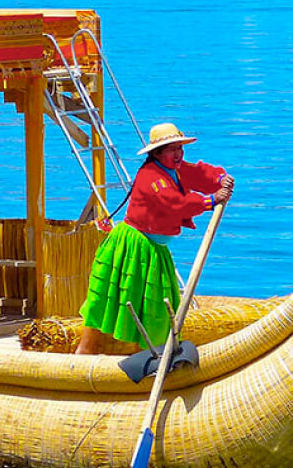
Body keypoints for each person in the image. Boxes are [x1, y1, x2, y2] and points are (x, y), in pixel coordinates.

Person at [75, 123, 232, 355]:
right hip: (132, 246)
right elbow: (173, 203)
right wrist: (210, 201)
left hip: (154, 249)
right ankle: (85, 352)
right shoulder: (151, 176)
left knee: (156, 303)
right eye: (171, 149)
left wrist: (220, 178)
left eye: (180, 148)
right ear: (156, 153)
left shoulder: (175, 169)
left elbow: (198, 173)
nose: (178, 154)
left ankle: (150, 353)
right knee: (110, 297)